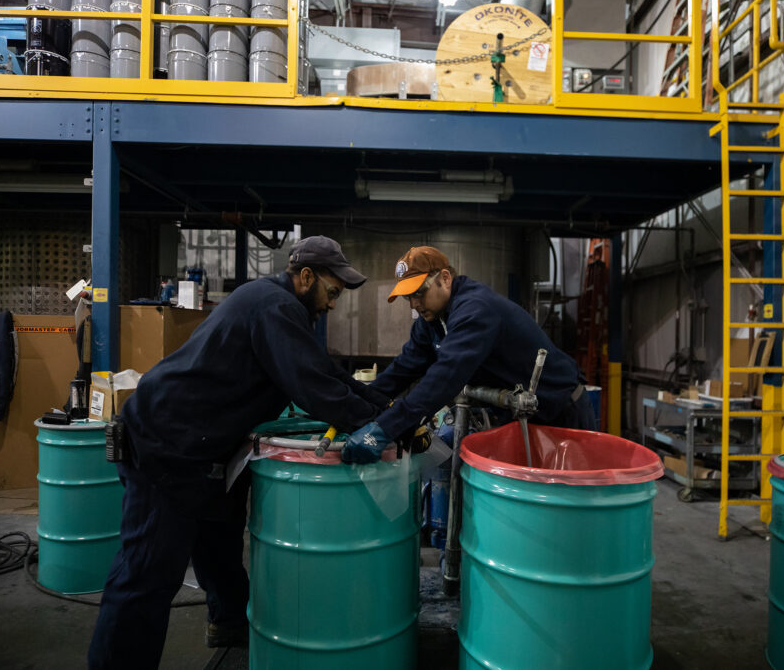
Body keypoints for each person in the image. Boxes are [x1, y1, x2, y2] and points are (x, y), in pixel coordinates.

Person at [88, 236, 387, 669]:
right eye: (332, 292)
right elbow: (316, 388)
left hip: (208, 447)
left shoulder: (277, 305)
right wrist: (379, 426)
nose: (333, 304)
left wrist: (387, 407)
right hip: (167, 445)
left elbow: (323, 372)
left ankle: (228, 622)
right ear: (306, 278)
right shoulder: (277, 308)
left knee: (220, 542)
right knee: (147, 573)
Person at [341, 245, 596, 465]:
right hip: (519, 417)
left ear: (445, 278)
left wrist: (384, 429)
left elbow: (443, 378)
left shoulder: (475, 309)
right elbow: (402, 370)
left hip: (559, 409)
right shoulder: (430, 321)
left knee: (569, 500)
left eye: (419, 293)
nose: (414, 304)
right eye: (408, 297)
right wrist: (358, 407)